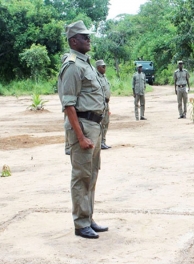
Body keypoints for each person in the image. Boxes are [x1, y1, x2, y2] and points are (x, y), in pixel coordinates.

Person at [58, 20, 108, 239]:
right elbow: (68, 105)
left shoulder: (86, 63)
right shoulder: (71, 66)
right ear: (73, 41)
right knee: (81, 176)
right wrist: (80, 136)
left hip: (94, 126)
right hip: (82, 126)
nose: (89, 39)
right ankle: (80, 223)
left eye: (89, 36)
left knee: (92, 174)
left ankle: (88, 217)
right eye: (84, 37)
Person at [95, 59, 111, 149]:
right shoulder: (96, 77)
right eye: (103, 66)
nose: (105, 68)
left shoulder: (104, 77)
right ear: (98, 67)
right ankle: (99, 142)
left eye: (105, 66)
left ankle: (103, 141)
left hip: (106, 104)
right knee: (100, 123)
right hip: (100, 104)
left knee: (106, 122)